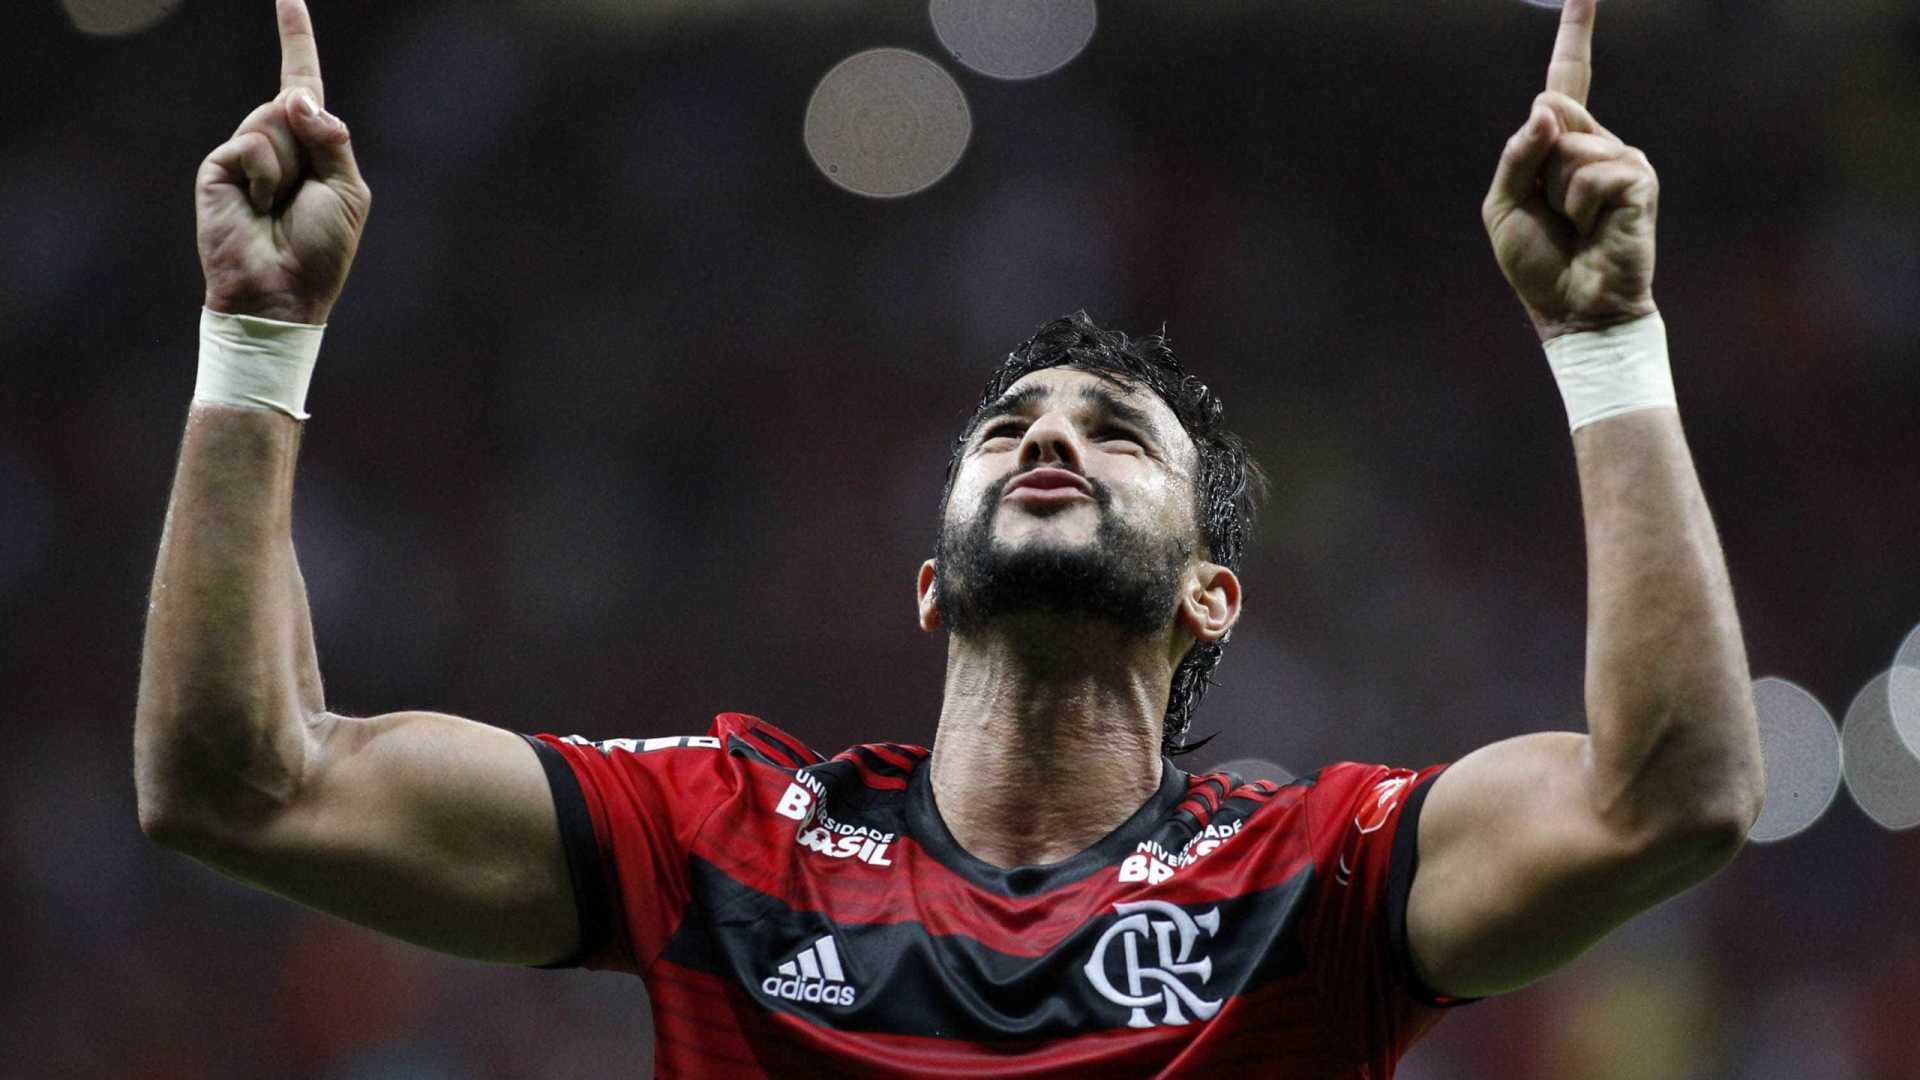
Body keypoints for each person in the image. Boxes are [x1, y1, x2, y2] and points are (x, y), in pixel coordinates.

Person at [135, 0, 1764, 1076]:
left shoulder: (1314, 881)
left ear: (1211, 597)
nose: (1049, 437)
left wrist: (1605, 344)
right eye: (1009, 430)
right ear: (931, 585)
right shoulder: (725, 841)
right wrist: (259, 340)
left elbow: (1672, 797)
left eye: (1117, 435)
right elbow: (239, 784)